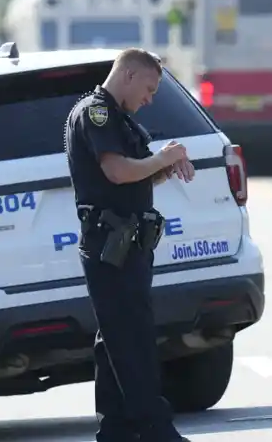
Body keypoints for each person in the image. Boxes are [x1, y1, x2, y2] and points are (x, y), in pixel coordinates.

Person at [65, 48, 196, 442]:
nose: (150, 99)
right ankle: (153, 426)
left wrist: (163, 167)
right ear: (128, 76)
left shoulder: (120, 118)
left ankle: (116, 428)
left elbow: (134, 176)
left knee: (117, 337)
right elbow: (117, 171)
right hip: (110, 242)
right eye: (149, 88)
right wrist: (162, 158)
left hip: (129, 243)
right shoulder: (97, 113)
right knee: (132, 339)